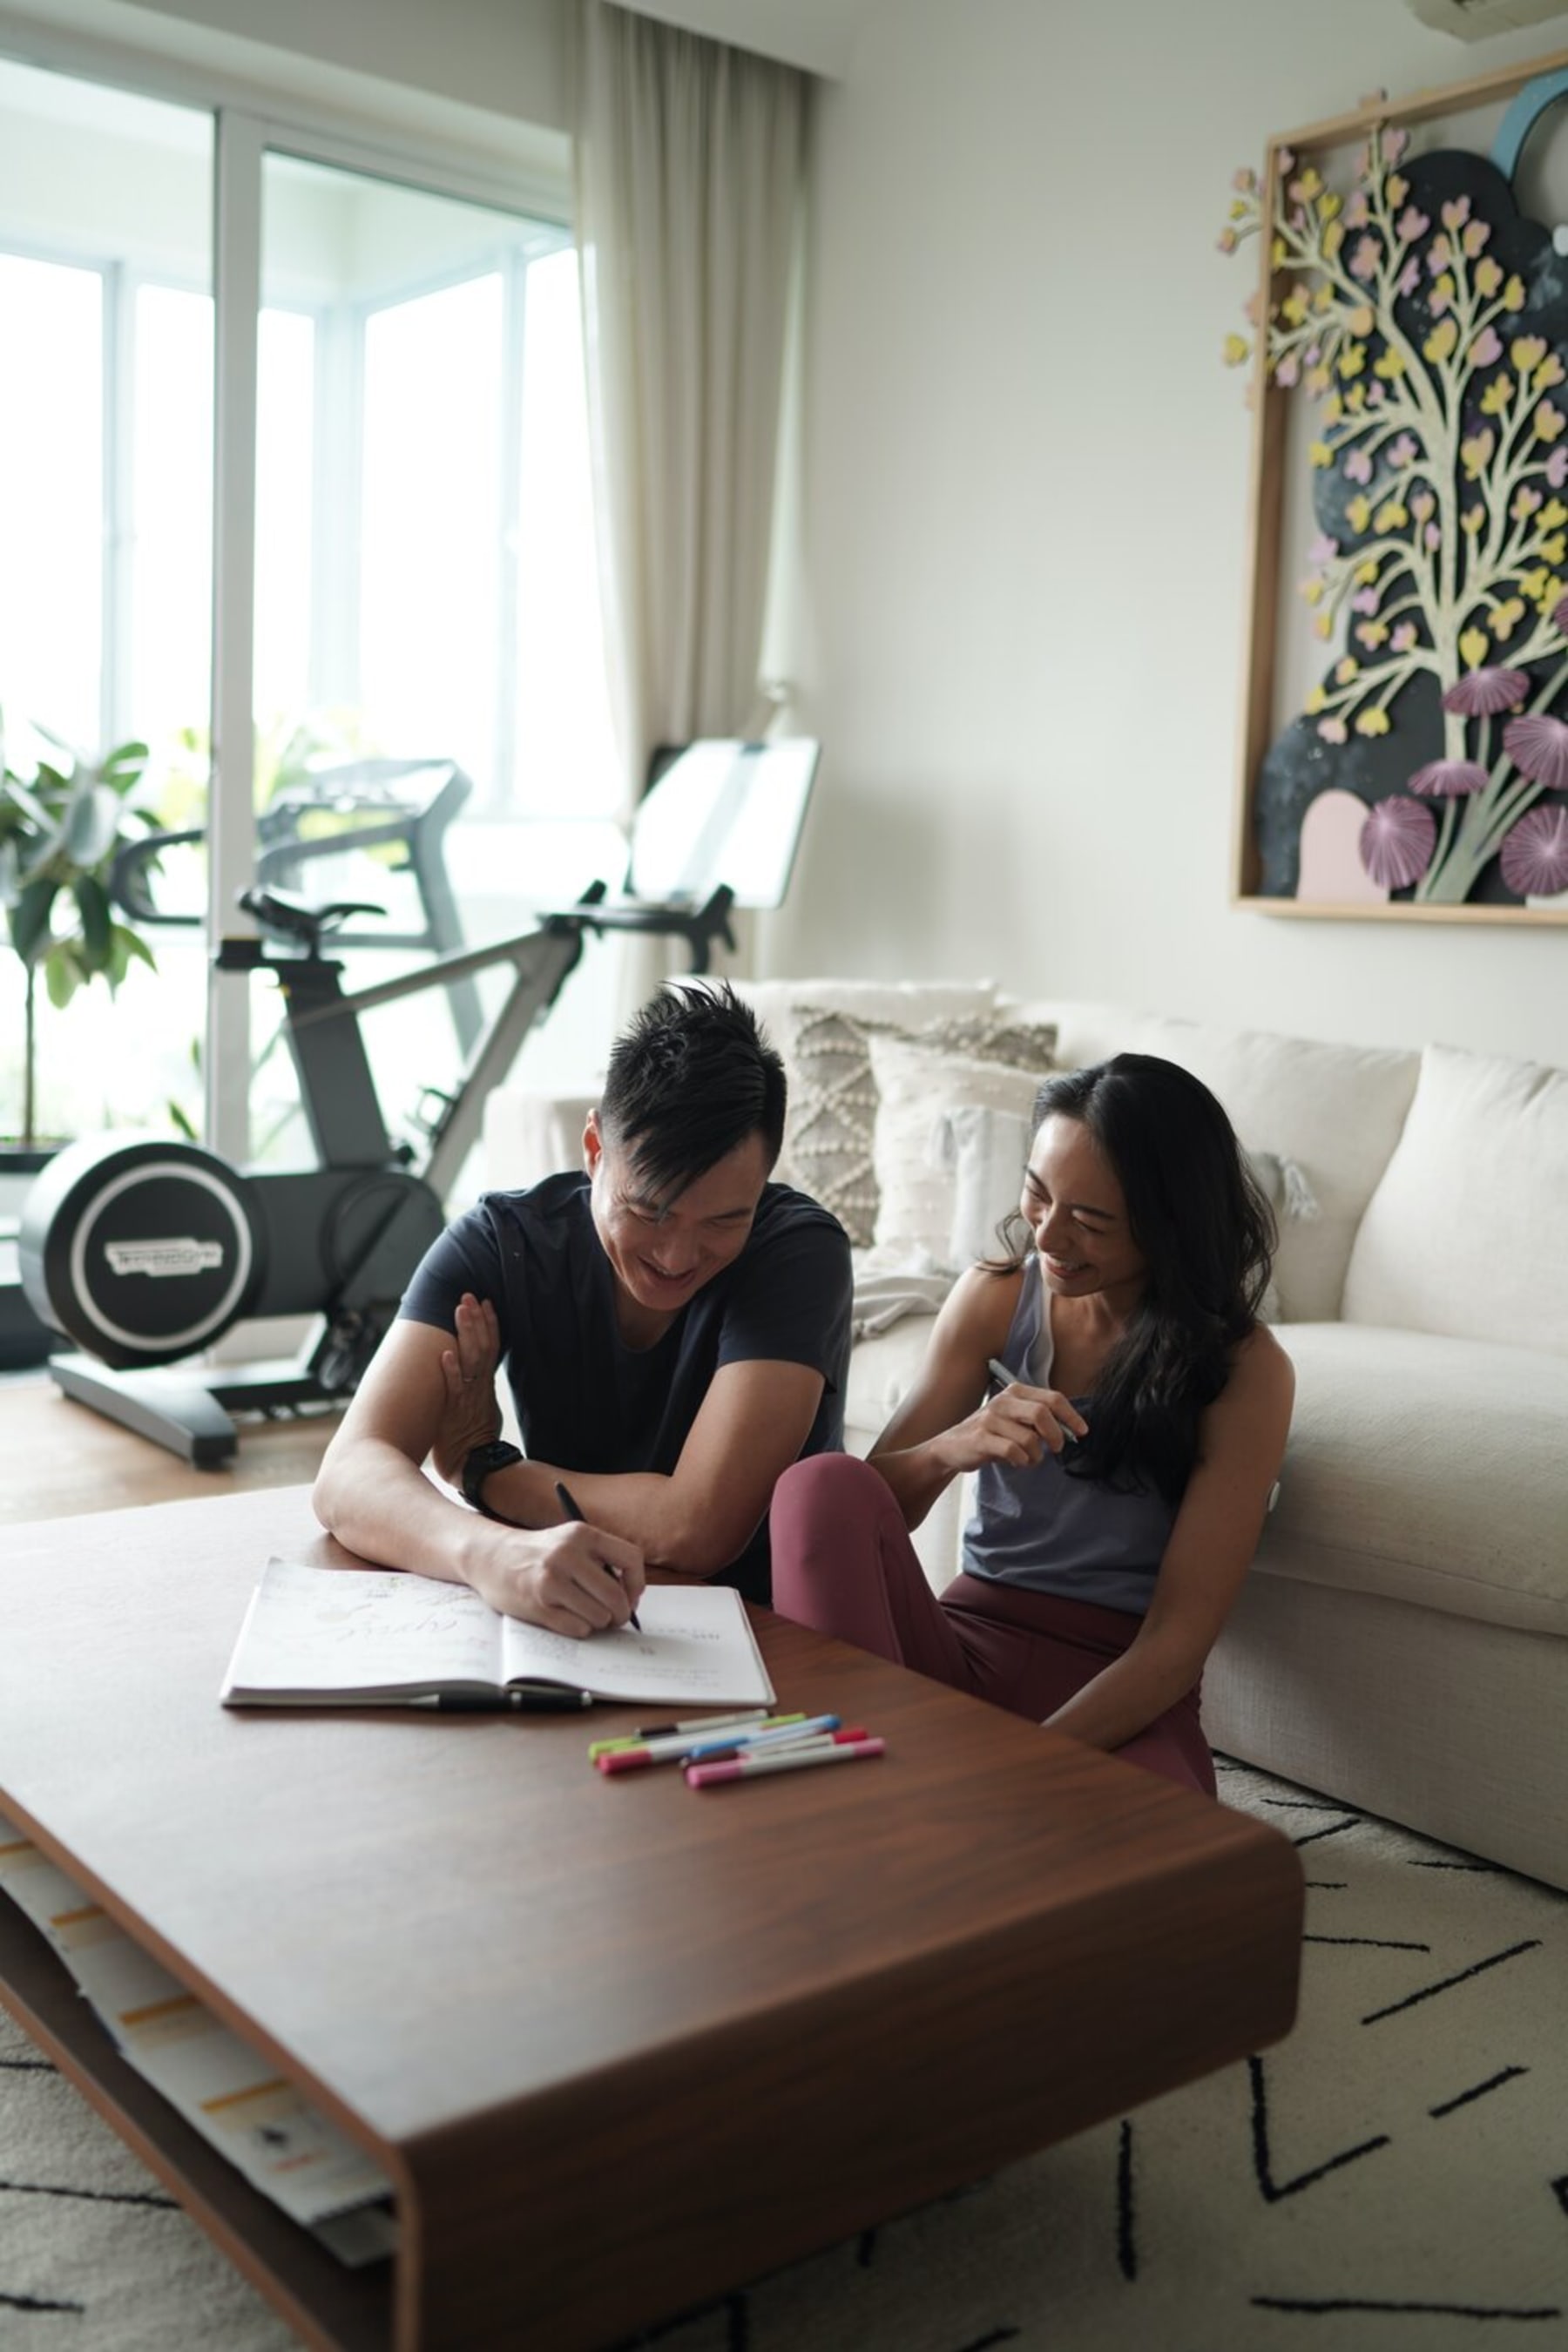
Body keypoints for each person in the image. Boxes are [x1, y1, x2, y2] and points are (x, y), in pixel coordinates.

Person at [768, 1053, 1294, 1796]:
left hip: (1118, 1694)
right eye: (1039, 1198)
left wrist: (1018, 1767)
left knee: (1176, 1874)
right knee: (817, 1485)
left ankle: (916, 1792)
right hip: (963, 1652)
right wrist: (954, 1449)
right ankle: (869, 1784)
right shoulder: (995, 1295)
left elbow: (1176, 1645)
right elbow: (868, 1505)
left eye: (1091, 1221)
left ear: (1168, 1224)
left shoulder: (1246, 1369)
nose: (1050, 1237)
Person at [313, 981, 853, 1634]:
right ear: (595, 1151)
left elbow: (698, 1527)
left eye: (723, 1221)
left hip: (767, 1632)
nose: (679, 1256)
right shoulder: (502, 1243)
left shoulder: (797, 1253)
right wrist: (490, 1553)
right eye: (649, 1210)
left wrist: (488, 1472)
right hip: (572, 1618)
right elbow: (347, 1474)